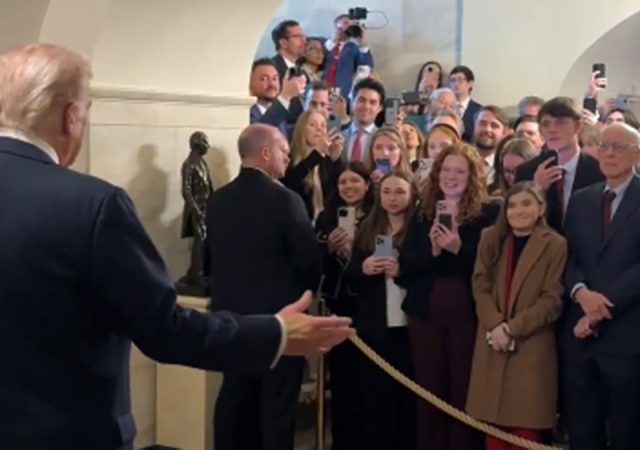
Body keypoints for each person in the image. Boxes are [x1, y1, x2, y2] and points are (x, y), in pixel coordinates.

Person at [0, 43, 353, 450]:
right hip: (65, 433)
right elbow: (163, 329)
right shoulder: (94, 205)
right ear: (70, 116)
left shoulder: (216, 200)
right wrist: (274, 332)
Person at [206, 123, 327, 450]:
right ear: (265, 153)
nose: (287, 158)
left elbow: (209, 260)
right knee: (276, 411)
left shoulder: (217, 201)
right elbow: (309, 262)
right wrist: (307, 295)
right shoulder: (285, 200)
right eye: (284, 152)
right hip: (278, 324)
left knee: (234, 406)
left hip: (231, 321)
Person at [399, 143, 501, 450]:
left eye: (459, 171)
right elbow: (405, 268)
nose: (451, 177)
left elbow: (493, 267)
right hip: (425, 311)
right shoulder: (423, 212)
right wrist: (432, 252)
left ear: (472, 176)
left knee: (463, 388)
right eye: (446, 170)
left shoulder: (489, 213)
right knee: (428, 388)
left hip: (467, 312)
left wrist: (458, 249)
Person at [466, 182, 567, 449]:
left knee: (526, 432)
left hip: (530, 344)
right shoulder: (491, 237)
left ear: (541, 208)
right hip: (493, 341)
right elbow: (480, 284)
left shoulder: (555, 244)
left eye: (526, 204)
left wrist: (511, 329)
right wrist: (495, 324)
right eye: (512, 205)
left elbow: (552, 299)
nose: (518, 211)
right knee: (493, 431)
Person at [562, 123, 640, 450]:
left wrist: (598, 309)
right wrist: (580, 292)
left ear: (637, 155)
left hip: (627, 335)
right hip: (579, 338)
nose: (609, 153)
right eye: (604, 146)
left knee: (627, 430)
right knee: (582, 430)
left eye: (619, 147)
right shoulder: (582, 199)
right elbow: (568, 256)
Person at [344, 170, 417, 450]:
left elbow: (428, 271)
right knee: (375, 398)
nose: (392, 198)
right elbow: (350, 276)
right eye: (387, 192)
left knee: (407, 399)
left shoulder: (420, 228)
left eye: (399, 192)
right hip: (374, 326)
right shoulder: (368, 227)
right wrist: (363, 268)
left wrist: (402, 270)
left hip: (410, 326)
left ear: (411, 194)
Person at [175, 131, 214, 296]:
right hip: (197, 210)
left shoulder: (202, 162)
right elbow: (186, 191)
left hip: (206, 207)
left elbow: (209, 187)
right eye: (205, 142)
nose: (208, 145)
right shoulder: (189, 164)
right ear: (198, 143)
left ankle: (198, 272)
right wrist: (196, 210)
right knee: (200, 241)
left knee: (205, 241)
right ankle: (196, 274)